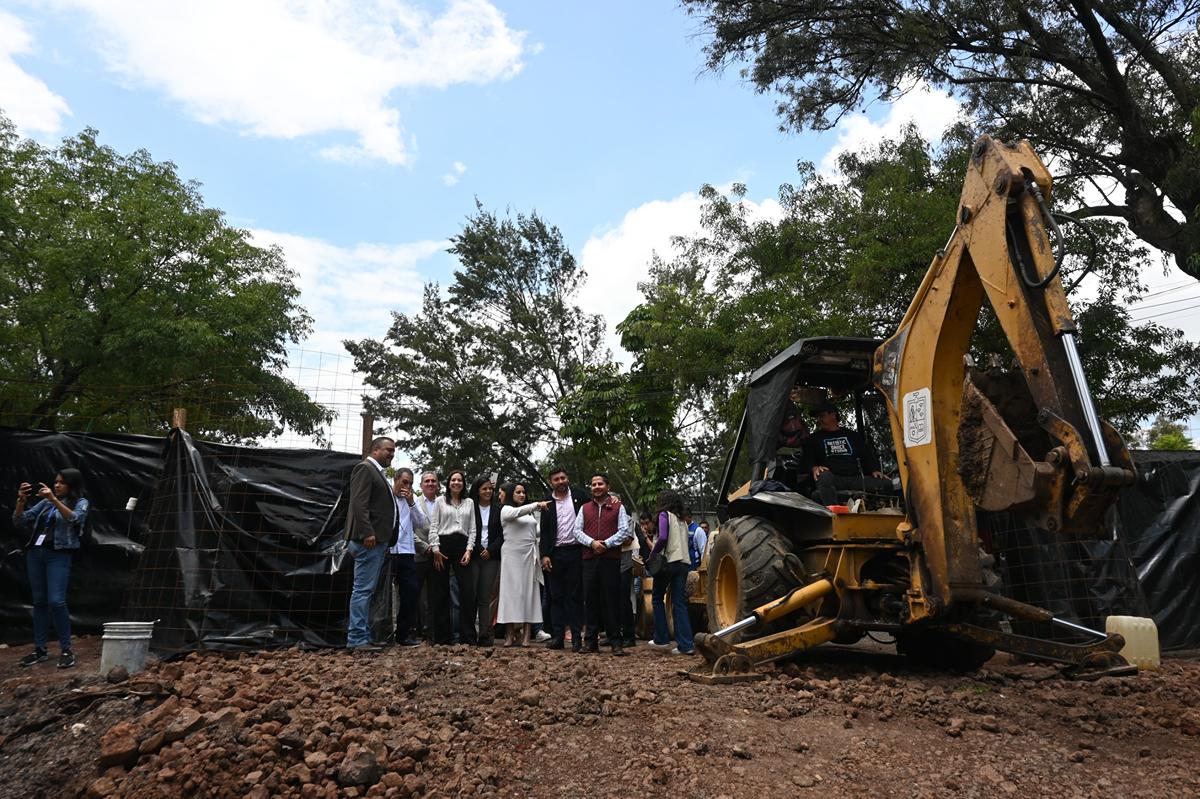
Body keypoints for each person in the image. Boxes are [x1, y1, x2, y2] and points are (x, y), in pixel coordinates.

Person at [13, 469, 90, 668]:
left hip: (59, 554)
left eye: (62, 483)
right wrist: (21, 501)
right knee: (39, 602)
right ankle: (40, 649)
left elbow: (74, 519)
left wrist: (54, 500)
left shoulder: (80, 502)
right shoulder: (46, 502)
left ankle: (66, 649)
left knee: (56, 601)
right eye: (56, 482)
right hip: (36, 554)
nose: (56, 486)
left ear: (72, 485)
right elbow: (20, 520)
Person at [343, 437, 398, 652]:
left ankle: (362, 636)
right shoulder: (365, 469)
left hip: (376, 541)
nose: (392, 454)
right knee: (363, 591)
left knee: (366, 590)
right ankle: (357, 639)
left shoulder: (375, 471)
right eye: (388, 450)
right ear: (375, 450)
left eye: (393, 451)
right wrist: (367, 533)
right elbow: (358, 503)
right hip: (368, 541)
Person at [573, 473, 631, 656]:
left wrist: (606, 544)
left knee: (611, 600)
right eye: (593, 484)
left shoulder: (617, 507)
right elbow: (576, 531)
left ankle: (615, 642)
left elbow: (624, 531)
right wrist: (592, 543)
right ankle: (590, 642)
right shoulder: (584, 508)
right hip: (589, 559)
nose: (596, 487)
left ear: (607, 486)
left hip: (610, 559)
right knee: (590, 600)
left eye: (600, 484)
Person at [805, 401, 892, 506]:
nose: (818, 420)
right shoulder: (814, 438)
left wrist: (874, 470)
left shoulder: (852, 436)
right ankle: (835, 511)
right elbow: (808, 458)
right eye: (817, 417)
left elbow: (866, 456)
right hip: (833, 479)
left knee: (886, 483)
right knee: (823, 476)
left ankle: (883, 511)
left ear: (833, 415)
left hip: (855, 478)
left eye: (821, 416)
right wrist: (814, 467)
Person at [539, 466, 588, 651]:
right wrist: (544, 554)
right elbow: (544, 531)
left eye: (563, 478)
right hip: (555, 554)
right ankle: (558, 637)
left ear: (568, 478)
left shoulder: (580, 496)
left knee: (575, 597)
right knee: (556, 596)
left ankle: (576, 639)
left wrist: (613, 500)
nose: (560, 481)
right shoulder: (547, 502)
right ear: (551, 482)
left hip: (576, 552)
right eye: (556, 479)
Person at [428, 469, 477, 645]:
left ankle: (468, 637)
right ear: (448, 483)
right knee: (440, 592)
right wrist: (435, 549)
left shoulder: (469, 502)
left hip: (462, 546)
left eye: (460, 480)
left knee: (467, 592)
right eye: (453, 480)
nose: (456, 483)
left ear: (464, 484)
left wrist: (469, 550)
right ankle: (442, 638)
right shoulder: (440, 501)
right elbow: (434, 526)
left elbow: (472, 529)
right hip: (443, 545)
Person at [497, 481, 550, 646]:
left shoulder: (530, 515)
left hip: (529, 555)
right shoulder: (507, 509)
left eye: (523, 493)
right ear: (511, 494)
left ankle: (527, 634)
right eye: (517, 492)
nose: (521, 495)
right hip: (511, 555)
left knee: (530, 593)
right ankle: (509, 633)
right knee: (510, 593)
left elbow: (537, 531)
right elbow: (515, 514)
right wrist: (537, 504)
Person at [646, 489, 695, 656]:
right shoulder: (682, 519)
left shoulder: (664, 515)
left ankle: (661, 638)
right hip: (683, 564)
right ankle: (686, 645)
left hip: (669, 563)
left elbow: (663, 537)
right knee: (679, 603)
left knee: (657, 598)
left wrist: (653, 554)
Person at [388, 468, 427, 647]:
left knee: (410, 591)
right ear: (396, 480)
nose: (407, 486)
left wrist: (411, 502)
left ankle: (403, 634)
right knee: (382, 592)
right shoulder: (386, 495)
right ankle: (380, 632)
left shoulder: (411, 500)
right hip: (387, 551)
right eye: (405, 482)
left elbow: (421, 523)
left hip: (405, 551)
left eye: (410, 483)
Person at [470, 475, 503, 646]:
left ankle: (484, 634)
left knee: (485, 597)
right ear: (477, 490)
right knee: (472, 595)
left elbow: (501, 535)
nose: (488, 491)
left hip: (491, 557)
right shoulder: (470, 508)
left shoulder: (498, 510)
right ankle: (469, 634)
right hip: (473, 556)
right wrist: (478, 549)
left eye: (490, 488)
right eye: (484, 489)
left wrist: (490, 550)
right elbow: (466, 530)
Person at [414, 472, 441, 641]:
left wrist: (437, 547)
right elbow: (407, 528)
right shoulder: (414, 502)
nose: (430, 484)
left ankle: (433, 631)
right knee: (418, 595)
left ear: (438, 485)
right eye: (427, 481)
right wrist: (425, 547)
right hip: (420, 554)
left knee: (436, 595)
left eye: (433, 481)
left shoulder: (443, 502)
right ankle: (417, 629)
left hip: (438, 556)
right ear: (421, 485)